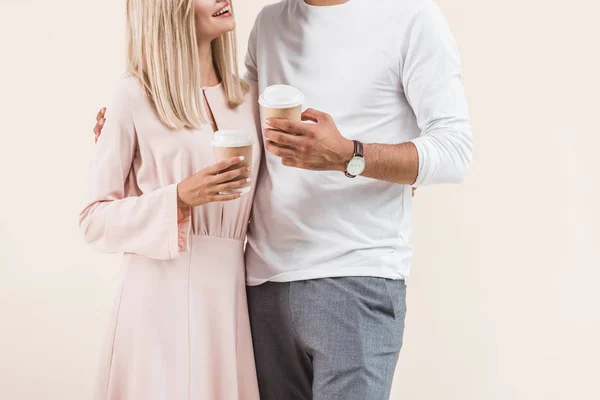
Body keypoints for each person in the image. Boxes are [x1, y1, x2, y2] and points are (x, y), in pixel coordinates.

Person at [94, 0, 473, 398]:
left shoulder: (411, 17)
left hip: (354, 278)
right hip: (259, 287)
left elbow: (455, 152)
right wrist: (130, 136)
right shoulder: (269, 24)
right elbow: (231, 128)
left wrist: (352, 156)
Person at [81, 0, 260, 399]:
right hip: (157, 296)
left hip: (230, 299)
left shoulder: (250, 97)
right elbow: (94, 219)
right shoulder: (133, 95)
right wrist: (177, 198)